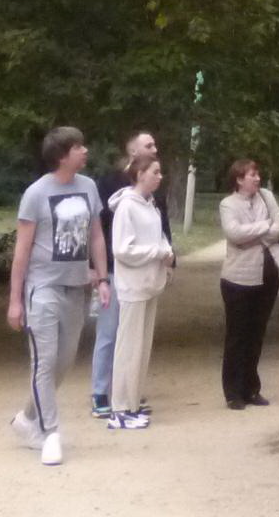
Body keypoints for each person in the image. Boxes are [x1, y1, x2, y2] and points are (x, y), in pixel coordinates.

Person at [8, 127, 112, 467]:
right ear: (62, 155)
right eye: (78, 146)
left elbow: (96, 236)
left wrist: (103, 278)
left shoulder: (88, 187)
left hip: (78, 288)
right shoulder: (36, 194)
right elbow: (22, 250)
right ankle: (50, 432)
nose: (85, 151)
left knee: (63, 364)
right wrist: (15, 299)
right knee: (44, 362)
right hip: (43, 288)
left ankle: (26, 418)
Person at [90, 129, 172, 418]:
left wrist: (168, 255)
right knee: (111, 333)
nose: (154, 147)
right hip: (116, 271)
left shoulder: (152, 192)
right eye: (148, 145)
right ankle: (102, 392)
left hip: (147, 274)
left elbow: (161, 225)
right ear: (133, 151)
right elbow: (99, 228)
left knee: (137, 338)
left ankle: (130, 393)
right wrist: (96, 270)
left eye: (155, 144)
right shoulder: (112, 184)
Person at [217, 157, 279, 410]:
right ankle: (233, 392)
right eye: (252, 175)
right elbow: (234, 234)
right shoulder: (228, 204)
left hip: (268, 274)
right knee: (237, 335)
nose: (257, 178)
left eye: (257, 174)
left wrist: (258, 231)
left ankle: (251, 388)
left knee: (257, 334)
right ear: (239, 180)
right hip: (238, 278)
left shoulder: (267, 197)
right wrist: (265, 226)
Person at [106, 154, 171, 430]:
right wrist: (157, 252)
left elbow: (158, 237)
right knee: (128, 348)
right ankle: (119, 408)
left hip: (150, 283)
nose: (159, 176)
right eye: (155, 171)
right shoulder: (126, 207)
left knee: (142, 348)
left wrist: (166, 252)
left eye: (160, 172)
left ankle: (132, 404)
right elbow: (122, 249)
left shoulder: (151, 205)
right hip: (132, 285)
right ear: (140, 173)